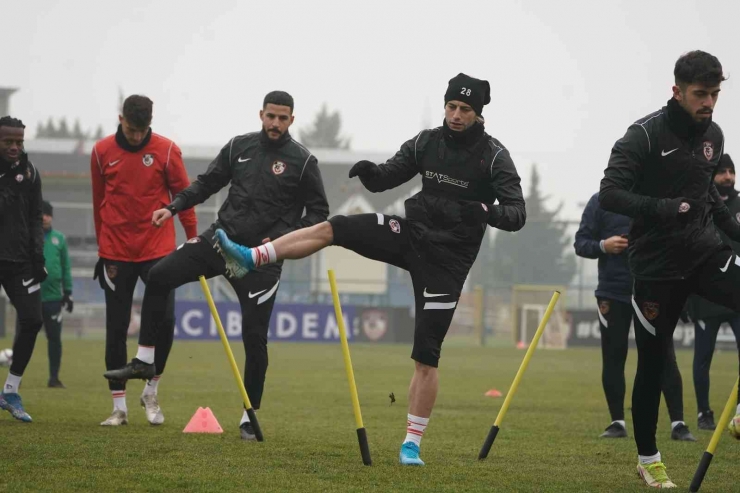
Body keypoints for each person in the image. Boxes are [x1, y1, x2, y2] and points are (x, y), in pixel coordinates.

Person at [213, 74, 526, 464]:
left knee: (426, 356)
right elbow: (389, 177)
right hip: (411, 235)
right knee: (336, 227)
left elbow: (517, 215)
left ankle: (411, 444)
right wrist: (370, 173)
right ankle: (252, 256)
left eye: (464, 109)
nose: (456, 115)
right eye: (451, 107)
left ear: (479, 113)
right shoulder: (427, 141)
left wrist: (484, 210)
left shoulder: (494, 156)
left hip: (448, 262)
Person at [104, 91, 330, 440]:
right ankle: (146, 359)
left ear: (292, 120)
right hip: (220, 242)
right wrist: (174, 207)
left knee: (254, 339)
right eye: (271, 116)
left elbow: (318, 215)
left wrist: (281, 242)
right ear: (261, 114)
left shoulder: (303, 161)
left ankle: (247, 418)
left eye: (283, 118)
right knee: (159, 275)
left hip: (261, 260)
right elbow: (207, 183)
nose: (275, 123)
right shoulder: (239, 147)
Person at [600, 50, 740, 488]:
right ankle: (649, 458)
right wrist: (664, 208)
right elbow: (610, 193)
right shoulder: (641, 136)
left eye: (715, 94)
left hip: (703, 253)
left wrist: (734, 229)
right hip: (655, 267)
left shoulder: (713, 136)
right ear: (676, 91)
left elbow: (707, 197)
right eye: (701, 94)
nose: (709, 103)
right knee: (653, 365)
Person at [91, 95, 198, 426]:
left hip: (158, 251)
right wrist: (102, 248)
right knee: (116, 328)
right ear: (120, 118)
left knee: (165, 324)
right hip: (116, 252)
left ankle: (151, 391)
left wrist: (192, 239)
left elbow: (186, 197)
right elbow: (99, 203)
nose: (136, 136)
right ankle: (119, 408)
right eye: (131, 129)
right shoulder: (101, 152)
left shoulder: (167, 151)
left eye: (142, 131)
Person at [575, 193, 695, 441]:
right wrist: (603, 246)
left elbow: (676, 243)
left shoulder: (657, 200)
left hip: (652, 289)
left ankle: (678, 424)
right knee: (613, 356)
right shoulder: (600, 201)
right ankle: (617, 423)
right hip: (612, 291)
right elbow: (581, 243)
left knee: (663, 355)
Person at [685, 154, 740, 431]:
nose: (728, 176)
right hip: (706, 296)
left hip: (737, 294)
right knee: (702, 357)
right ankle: (703, 412)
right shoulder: (700, 203)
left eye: (731, 171)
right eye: (722, 172)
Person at [0, 116, 47, 422]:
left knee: (32, 320)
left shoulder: (30, 173)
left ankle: (10, 390)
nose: (15, 147)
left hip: (20, 262)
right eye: (8, 142)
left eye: (19, 142)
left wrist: (38, 257)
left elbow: (35, 218)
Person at [13, 200, 73, 388]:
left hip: (53, 299)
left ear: (51, 216)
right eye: (42, 213)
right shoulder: (27, 237)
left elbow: (65, 267)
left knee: (54, 339)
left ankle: (54, 378)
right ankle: (16, 379)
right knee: (22, 338)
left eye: (48, 214)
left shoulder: (59, 239)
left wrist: (68, 292)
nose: (45, 217)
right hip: (30, 297)